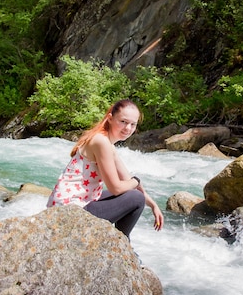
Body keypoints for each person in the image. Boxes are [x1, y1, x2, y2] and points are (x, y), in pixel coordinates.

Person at [47, 99, 164, 238]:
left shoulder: (106, 142)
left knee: (135, 195)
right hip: (70, 213)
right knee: (136, 197)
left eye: (133, 124)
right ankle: (123, 243)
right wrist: (137, 181)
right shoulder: (101, 142)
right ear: (110, 118)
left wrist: (153, 205)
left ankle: (121, 244)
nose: (128, 128)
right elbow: (116, 188)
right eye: (123, 122)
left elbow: (127, 181)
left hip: (74, 204)